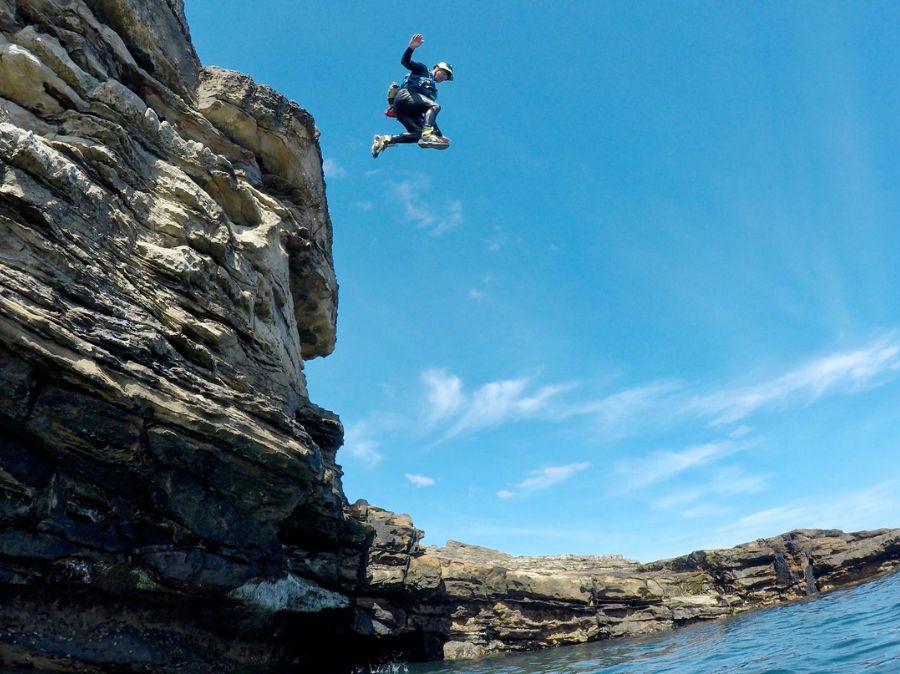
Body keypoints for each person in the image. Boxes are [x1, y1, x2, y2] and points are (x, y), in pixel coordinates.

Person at [371, 34, 454, 158]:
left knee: (417, 134)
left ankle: (385, 140)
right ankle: (427, 134)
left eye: (446, 76)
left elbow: (429, 117)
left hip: (406, 111)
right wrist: (411, 48)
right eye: (444, 72)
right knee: (435, 107)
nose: (444, 77)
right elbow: (405, 62)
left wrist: (439, 136)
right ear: (436, 68)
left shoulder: (431, 93)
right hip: (406, 96)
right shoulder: (423, 70)